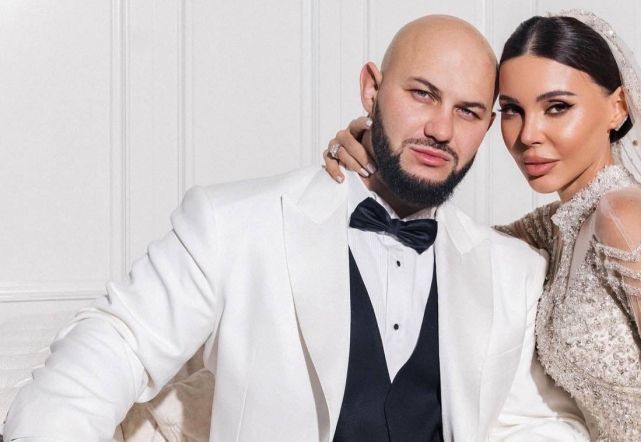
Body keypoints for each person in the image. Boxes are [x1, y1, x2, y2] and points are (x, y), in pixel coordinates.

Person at [2, 15, 589, 442]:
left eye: (467, 111)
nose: (440, 128)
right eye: (421, 94)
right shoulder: (234, 224)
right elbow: (112, 349)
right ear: (372, 89)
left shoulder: (512, 269)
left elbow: (534, 424)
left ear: (486, 127)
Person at [325, 10, 641, 441]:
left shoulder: (624, 219)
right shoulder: (557, 225)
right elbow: (452, 242)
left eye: (557, 108)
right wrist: (377, 152)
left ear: (617, 107)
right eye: (512, 111)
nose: (529, 135)